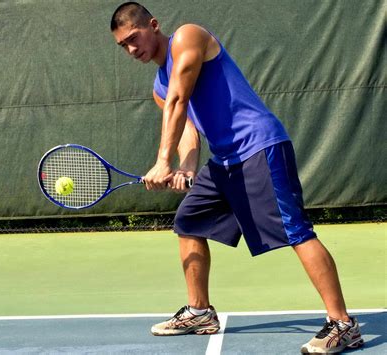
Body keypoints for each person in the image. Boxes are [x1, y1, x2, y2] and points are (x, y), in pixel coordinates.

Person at [110, 2, 364, 353]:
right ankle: (200, 311)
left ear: (153, 25)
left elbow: (180, 100)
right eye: (123, 45)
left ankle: (343, 324)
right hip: (226, 160)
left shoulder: (188, 36)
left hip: (260, 146)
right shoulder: (158, 87)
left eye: (134, 38)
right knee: (189, 221)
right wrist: (185, 166)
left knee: (296, 231)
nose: (132, 49)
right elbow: (188, 130)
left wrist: (161, 161)